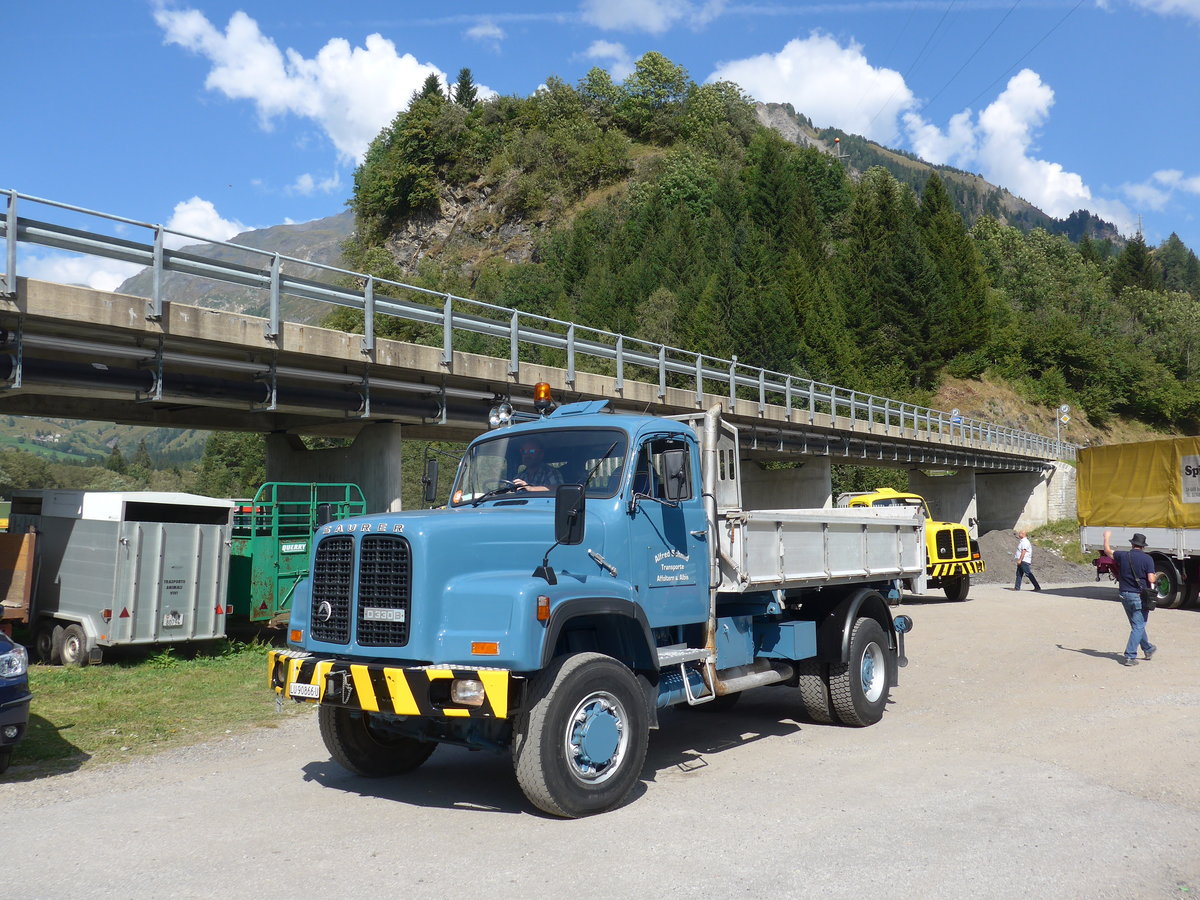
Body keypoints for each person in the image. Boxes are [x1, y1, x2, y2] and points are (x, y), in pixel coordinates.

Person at [1103, 530, 1157, 666]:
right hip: (1139, 596)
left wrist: (1106, 537)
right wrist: (1157, 576)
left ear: (1132, 544)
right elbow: (1151, 578)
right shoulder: (1147, 559)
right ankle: (1130, 656)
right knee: (1139, 625)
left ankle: (1148, 648)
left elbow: (1107, 551)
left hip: (1124, 594)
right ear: (1143, 546)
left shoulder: (1123, 555)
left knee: (1136, 624)